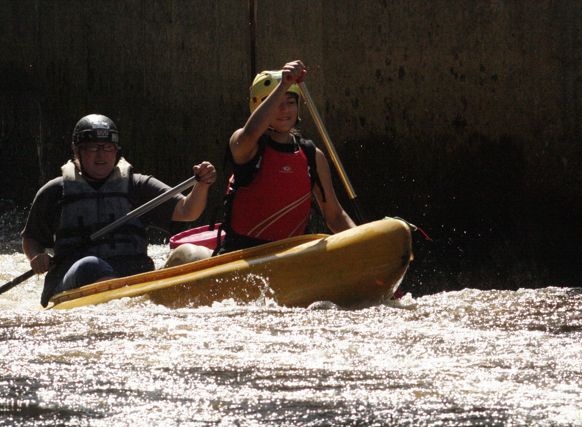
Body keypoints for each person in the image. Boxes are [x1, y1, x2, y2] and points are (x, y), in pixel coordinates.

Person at [21, 114, 216, 307]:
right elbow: (31, 238)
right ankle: (117, 298)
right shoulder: (55, 191)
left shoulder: (137, 186)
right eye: (93, 148)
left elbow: (188, 210)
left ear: (116, 151)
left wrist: (202, 184)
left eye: (108, 148)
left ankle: (127, 299)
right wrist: (37, 257)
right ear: (76, 151)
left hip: (132, 279)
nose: (101, 155)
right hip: (73, 282)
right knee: (91, 265)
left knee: (190, 254)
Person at [217, 59, 355, 253]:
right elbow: (250, 133)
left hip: (292, 255)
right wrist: (284, 85)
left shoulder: (312, 156)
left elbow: (335, 216)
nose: (284, 110)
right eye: (276, 104)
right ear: (259, 108)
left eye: (290, 103)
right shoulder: (245, 145)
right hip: (243, 254)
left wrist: (363, 243)